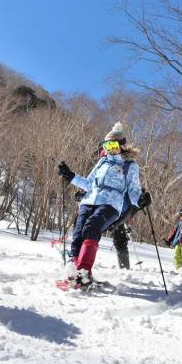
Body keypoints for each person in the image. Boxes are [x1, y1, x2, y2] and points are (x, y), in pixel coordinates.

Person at [57, 122, 142, 287]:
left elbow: (134, 190)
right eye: (106, 145)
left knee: (92, 227)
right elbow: (89, 183)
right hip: (89, 200)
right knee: (78, 234)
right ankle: (73, 271)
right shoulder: (102, 162)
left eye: (112, 144)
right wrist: (70, 176)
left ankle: (84, 272)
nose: (109, 148)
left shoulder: (129, 165)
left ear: (121, 145)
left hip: (111, 204)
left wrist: (140, 200)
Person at [108, 190, 152, 269]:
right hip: (117, 215)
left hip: (119, 218)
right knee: (120, 242)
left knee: (120, 242)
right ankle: (124, 267)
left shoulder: (134, 199)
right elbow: (127, 214)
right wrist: (116, 225)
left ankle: (124, 267)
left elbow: (127, 216)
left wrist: (126, 226)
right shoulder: (134, 200)